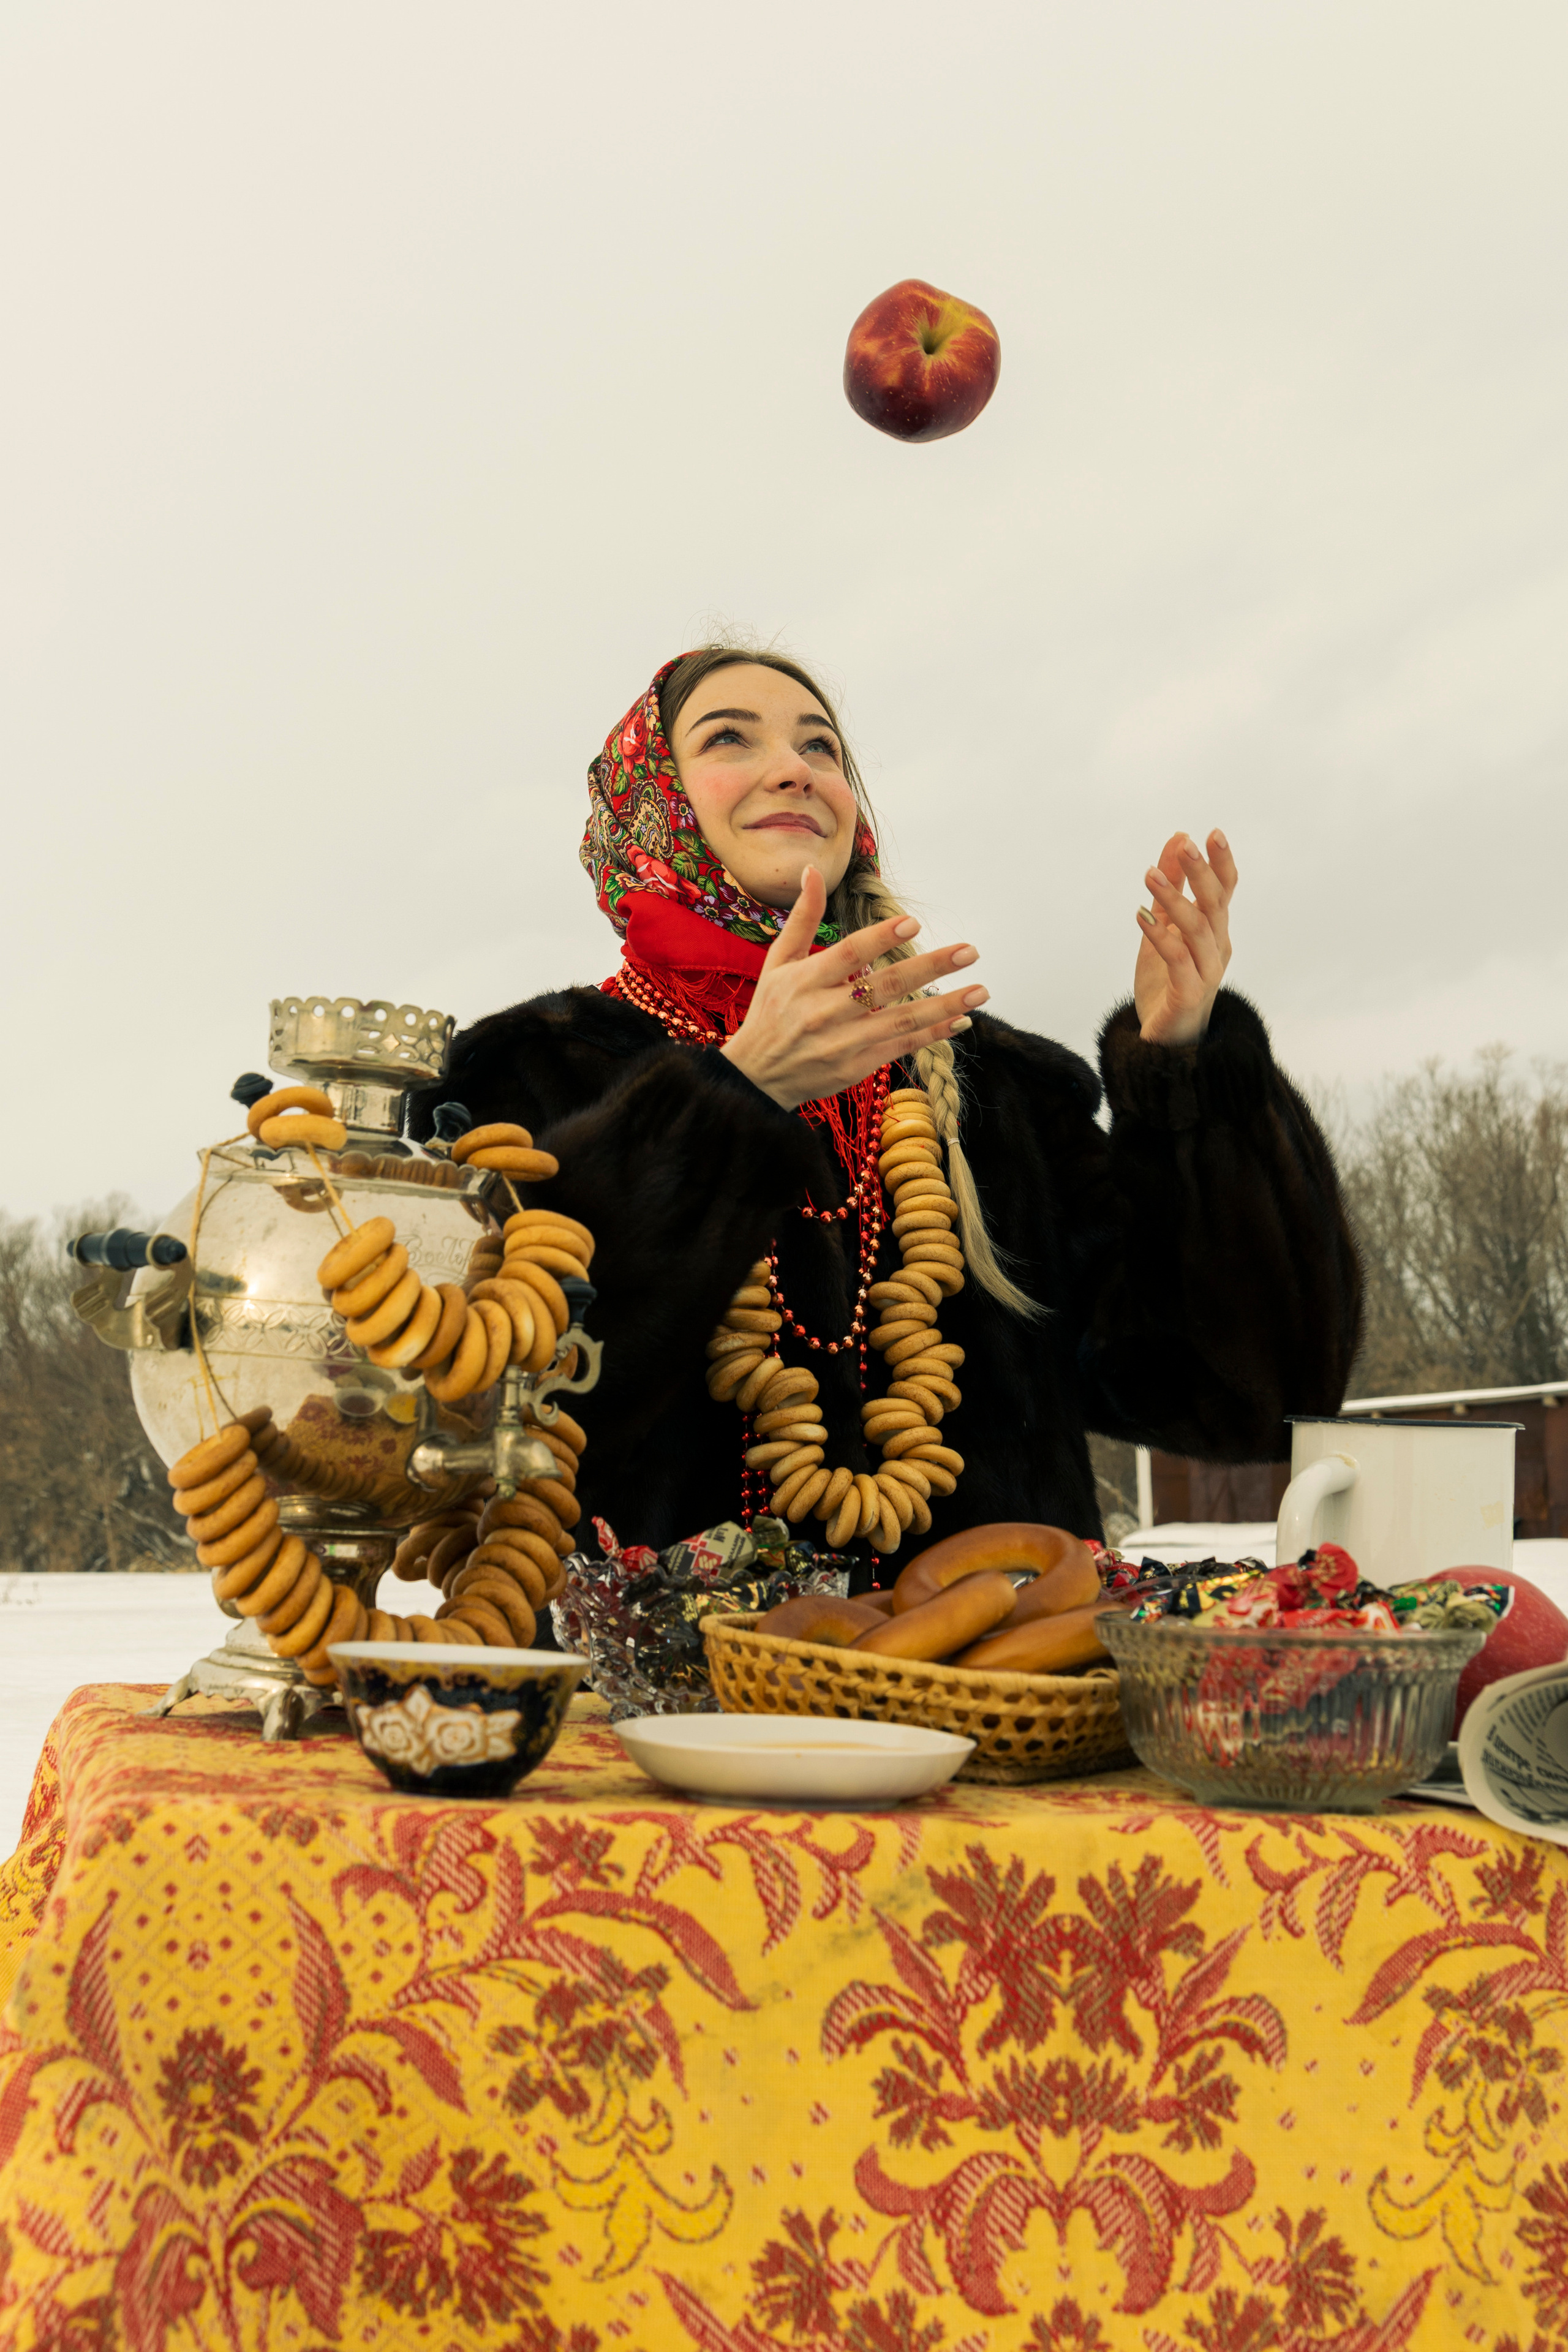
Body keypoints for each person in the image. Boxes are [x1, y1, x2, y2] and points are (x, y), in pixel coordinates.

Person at [417, 647, 1361, 1571]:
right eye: (730, 739)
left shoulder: (999, 1093)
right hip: (660, 1717)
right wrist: (732, 1097)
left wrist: (1186, 1078)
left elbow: (1249, 1397)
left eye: (821, 747)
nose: (794, 768)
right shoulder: (530, 1078)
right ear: (652, 802)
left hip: (996, 1711)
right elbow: (481, 1421)